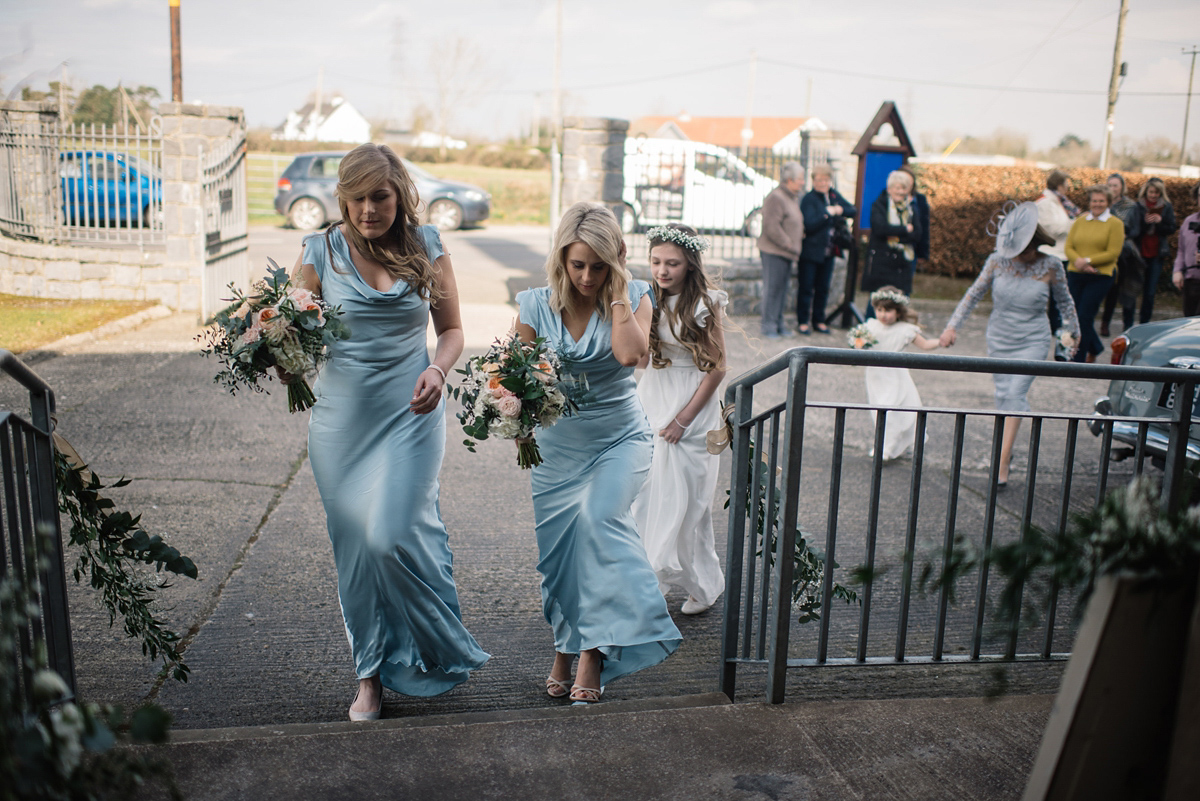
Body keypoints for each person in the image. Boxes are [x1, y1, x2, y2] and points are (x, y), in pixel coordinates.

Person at [290, 144, 489, 721]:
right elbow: (299, 337)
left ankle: (433, 643)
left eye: (380, 196)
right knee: (357, 553)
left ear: (400, 194)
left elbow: (451, 330)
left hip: (412, 414)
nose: (368, 210)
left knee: (391, 535)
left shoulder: (427, 246)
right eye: (356, 198)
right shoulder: (319, 251)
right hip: (341, 427)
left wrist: (438, 368)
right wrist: (276, 355)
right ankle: (370, 677)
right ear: (342, 198)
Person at [515, 202, 682, 704]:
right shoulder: (533, 304)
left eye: (598, 265)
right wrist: (512, 419)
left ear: (617, 259)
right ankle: (565, 649)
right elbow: (515, 372)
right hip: (556, 449)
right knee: (561, 557)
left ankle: (594, 652)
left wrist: (616, 294)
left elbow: (632, 355)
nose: (587, 276)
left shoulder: (635, 295)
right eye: (578, 264)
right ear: (561, 259)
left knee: (598, 521)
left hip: (619, 440)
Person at [940, 202, 1081, 487]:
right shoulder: (996, 261)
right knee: (1003, 396)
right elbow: (973, 294)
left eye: (1025, 249)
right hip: (1000, 337)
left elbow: (1065, 303)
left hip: (1033, 339)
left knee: (1016, 393)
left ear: (1035, 242)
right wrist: (952, 326)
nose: (1019, 255)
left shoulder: (1051, 265)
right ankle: (1008, 449)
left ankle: (1001, 461)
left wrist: (1073, 335)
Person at [631, 224, 728, 616]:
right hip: (653, 395)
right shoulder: (645, 297)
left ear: (689, 263)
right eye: (656, 261)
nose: (662, 270)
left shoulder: (705, 302)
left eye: (672, 263)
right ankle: (646, 580)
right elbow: (639, 360)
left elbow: (718, 367)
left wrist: (683, 420)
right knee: (644, 496)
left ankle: (703, 585)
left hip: (693, 403)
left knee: (688, 504)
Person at [859, 287, 942, 461]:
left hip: (894, 376)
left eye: (888, 310)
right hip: (875, 376)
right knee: (877, 410)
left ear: (898, 311)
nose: (883, 314)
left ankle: (885, 449)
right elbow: (860, 345)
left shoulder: (905, 329)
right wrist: (858, 344)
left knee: (889, 410)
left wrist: (941, 342)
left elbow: (925, 344)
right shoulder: (870, 326)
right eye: (879, 310)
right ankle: (887, 443)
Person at [1065, 185, 1124, 363]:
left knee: (1084, 316)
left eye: (1101, 201)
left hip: (1100, 275)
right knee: (1074, 315)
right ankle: (1096, 347)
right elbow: (1068, 246)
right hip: (1076, 272)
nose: (1097, 204)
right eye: (1094, 200)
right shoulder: (1080, 220)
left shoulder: (1115, 224)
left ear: (1108, 202)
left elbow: (1113, 253)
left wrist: (1088, 261)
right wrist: (1080, 262)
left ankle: (1078, 359)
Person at [797, 164, 856, 335]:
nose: (822, 183)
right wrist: (826, 214)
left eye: (826, 179)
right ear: (813, 181)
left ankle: (819, 320)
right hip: (810, 251)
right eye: (819, 180)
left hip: (829, 252)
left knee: (823, 288)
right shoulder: (809, 199)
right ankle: (803, 321)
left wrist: (839, 210)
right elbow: (809, 224)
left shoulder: (833, 195)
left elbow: (853, 210)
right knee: (807, 287)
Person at [756, 161, 805, 338]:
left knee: (783, 290)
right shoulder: (776, 197)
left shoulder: (791, 197)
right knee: (773, 289)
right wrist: (788, 243)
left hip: (787, 252)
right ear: (789, 179)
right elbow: (771, 226)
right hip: (775, 251)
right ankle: (768, 326)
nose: (803, 182)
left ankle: (778, 324)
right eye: (800, 179)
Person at [865, 170, 921, 318]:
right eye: (897, 188)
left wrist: (896, 234)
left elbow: (917, 234)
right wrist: (904, 229)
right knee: (877, 302)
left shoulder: (911, 209)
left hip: (902, 265)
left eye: (903, 188)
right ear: (889, 189)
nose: (900, 191)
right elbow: (880, 229)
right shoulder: (879, 205)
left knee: (901, 304)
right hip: (882, 264)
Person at [1034, 169, 1077, 341]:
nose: (1068, 188)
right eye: (1066, 184)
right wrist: (1077, 224)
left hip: (1062, 253)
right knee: (1048, 293)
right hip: (1050, 253)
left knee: (1058, 293)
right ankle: (1050, 326)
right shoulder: (1045, 203)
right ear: (1059, 185)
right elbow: (1051, 229)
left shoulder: (1060, 202)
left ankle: (1055, 325)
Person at [1099, 173, 1143, 336]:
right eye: (1109, 185)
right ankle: (1104, 323)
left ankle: (1128, 326)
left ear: (1122, 187)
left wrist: (1124, 235)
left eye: (1115, 185)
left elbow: (1137, 230)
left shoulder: (1131, 206)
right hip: (1104, 250)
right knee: (1110, 289)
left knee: (1126, 290)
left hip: (1125, 253)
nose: (1112, 188)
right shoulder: (1103, 205)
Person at [1134, 177, 1177, 325]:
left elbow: (1171, 228)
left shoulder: (1166, 207)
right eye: (1151, 192)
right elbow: (1133, 230)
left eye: (1157, 193)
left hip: (1156, 254)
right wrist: (1145, 223)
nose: (1153, 196)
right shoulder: (1138, 206)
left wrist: (1159, 222)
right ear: (1146, 192)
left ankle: (1144, 322)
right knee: (1132, 289)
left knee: (1150, 292)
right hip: (1139, 252)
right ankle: (1128, 323)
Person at [1173, 182, 1200, 317]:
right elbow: (1181, 250)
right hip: (1190, 281)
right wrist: (1177, 271)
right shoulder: (1189, 221)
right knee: (1188, 323)